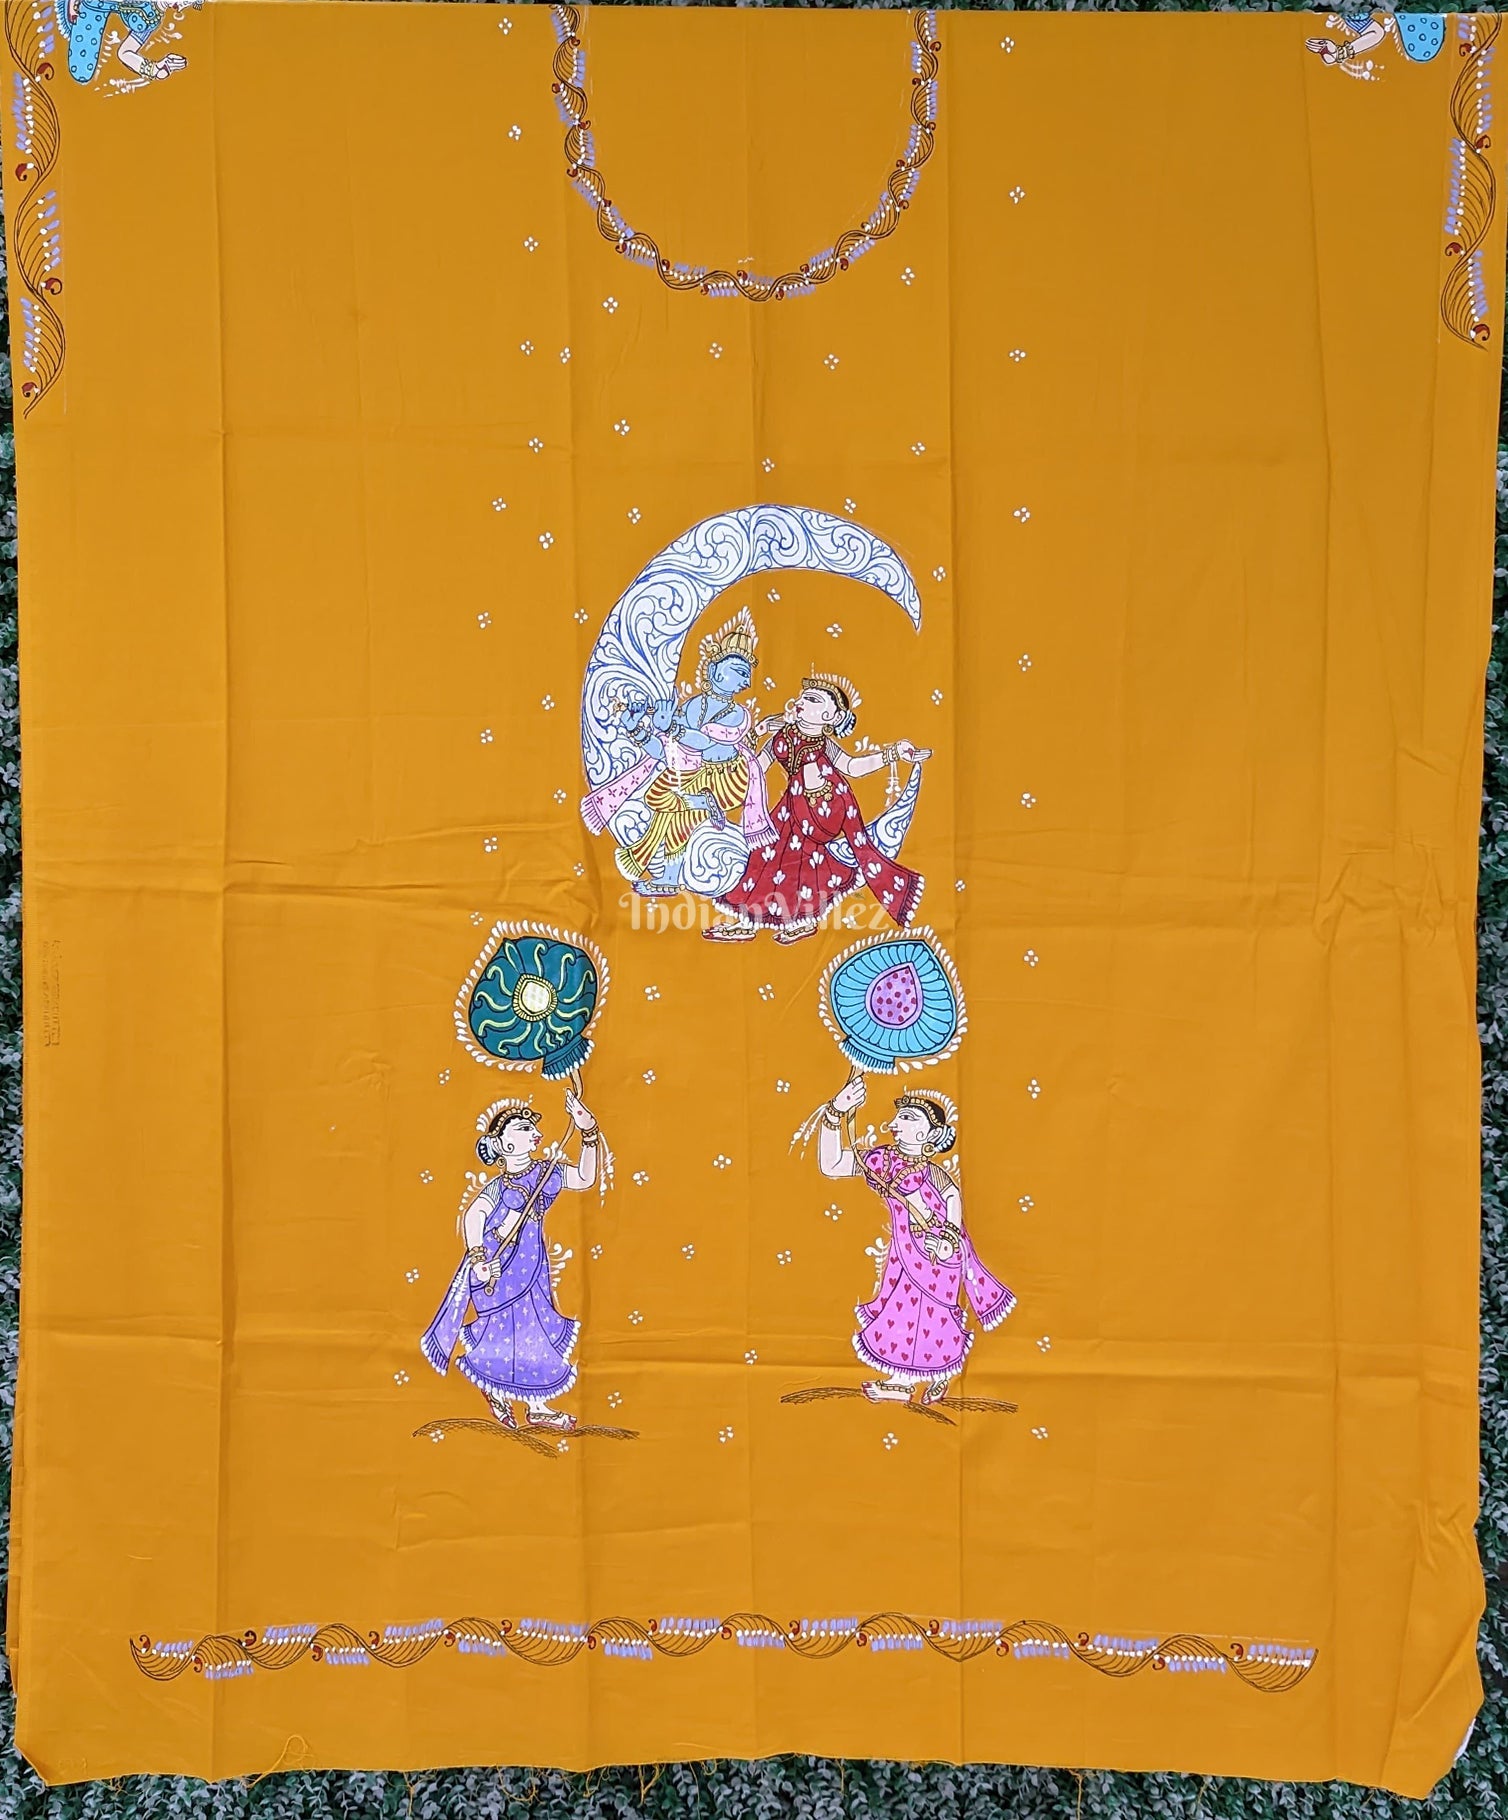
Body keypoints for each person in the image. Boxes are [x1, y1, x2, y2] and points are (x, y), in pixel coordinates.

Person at [817, 1076, 1014, 1403]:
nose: (894, 1125)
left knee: (926, 1314)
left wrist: (947, 1241)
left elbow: (952, 1204)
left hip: (938, 1255)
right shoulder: (883, 1161)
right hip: (904, 1254)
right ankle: (930, 1375)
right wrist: (836, 1111)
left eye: (907, 1118)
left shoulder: (935, 1174)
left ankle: (904, 1382)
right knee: (902, 1311)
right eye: (897, 1118)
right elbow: (832, 1164)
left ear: (928, 1134)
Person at [420, 1090, 599, 1431]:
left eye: (532, 1128)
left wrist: (588, 1130)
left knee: (535, 1330)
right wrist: (478, 1258)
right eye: (523, 1128)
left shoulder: (546, 1173)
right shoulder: (499, 1187)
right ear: (503, 1145)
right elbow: (474, 1215)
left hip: (532, 1267)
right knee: (507, 1331)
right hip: (498, 1267)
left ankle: (534, 1404)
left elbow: (584, 1178)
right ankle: (508, 1395)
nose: (534, 1133)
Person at [706, 672, 929, 943]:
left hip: (822, 809)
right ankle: (748, 919)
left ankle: (802, 919)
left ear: (831, 717)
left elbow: (852, 767)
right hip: (790, 807)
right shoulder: (782, 735)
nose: (801, 702)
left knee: (807, 865)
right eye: (802, 697)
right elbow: (759, 767)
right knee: (765, 855)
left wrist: (893, 754)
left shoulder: (824, 744)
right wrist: (727, 767)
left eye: (812, 699)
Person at [581, 607, 775, 895]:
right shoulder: (693, 705)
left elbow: (705, 742)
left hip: (729, 779)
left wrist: (671, 725)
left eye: (747, 676)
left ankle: (657, 867)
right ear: (714, 669)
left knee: (675, 814)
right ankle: (670, 874)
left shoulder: (738, 714)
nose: (746, 681)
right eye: (739, 672)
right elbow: (668, 752)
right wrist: (637, 730)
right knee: (661, 801)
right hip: (697, 777)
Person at [60, 0, 200, 85]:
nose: (180, 7)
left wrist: (157, 68)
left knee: (81, 71)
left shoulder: (153, 17)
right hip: (87, 10)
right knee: (81, 70)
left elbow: (125, 52)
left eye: (186, 4)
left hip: (92, 11)